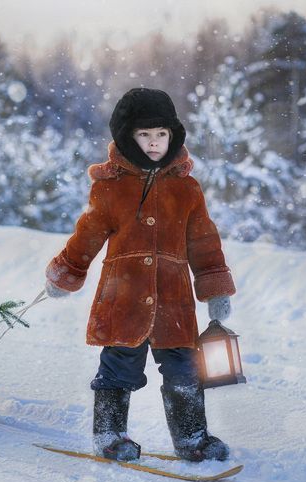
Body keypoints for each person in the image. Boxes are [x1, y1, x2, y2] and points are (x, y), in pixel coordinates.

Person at [44, 87, 236, 462]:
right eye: (144, 135)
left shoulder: (186, 189)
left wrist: (215, 288)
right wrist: (66, 273)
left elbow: (204, 240)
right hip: (123, 296)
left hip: (175, 300)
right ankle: (110, 434)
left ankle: (192, 438)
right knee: (119, 367)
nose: (153, 143)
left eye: (161, 134)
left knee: (184, 369)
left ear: (173, 136)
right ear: (128, 137)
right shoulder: (110, 187)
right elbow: (88, 234)